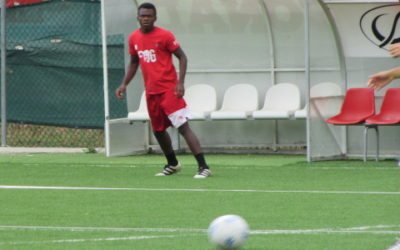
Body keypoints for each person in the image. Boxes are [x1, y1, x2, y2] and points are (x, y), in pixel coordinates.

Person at [115, 2, 211, 178]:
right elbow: (134, 62)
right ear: (138, 18)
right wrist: (124, 84)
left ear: (155, 18)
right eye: (143, 16)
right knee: (158, 130)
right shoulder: (134, 38)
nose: (146, 18)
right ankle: (173, 163)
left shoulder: (165, 36)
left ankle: (204, 167)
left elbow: (182, 57)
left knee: (183, 126)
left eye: (149, 16)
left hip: (169, 90)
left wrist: (180, 82)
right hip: (151, 92)